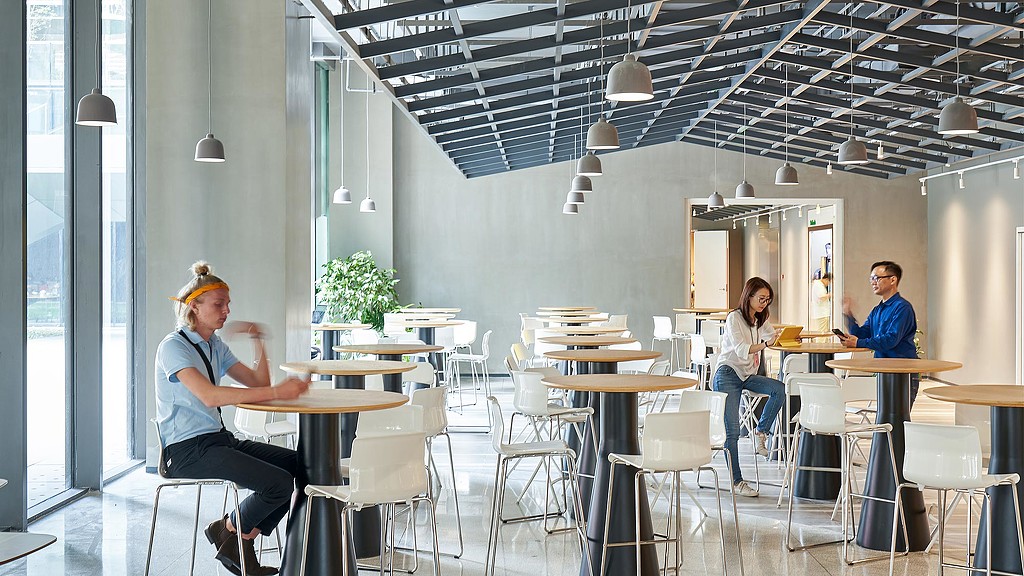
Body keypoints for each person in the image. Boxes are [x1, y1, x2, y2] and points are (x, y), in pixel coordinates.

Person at [155, 262, 310, 576]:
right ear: (194, 307)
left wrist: (257, 340)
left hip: (218, 441)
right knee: (279, 484)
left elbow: (257, 382)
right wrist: (277, 392)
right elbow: (209, 396)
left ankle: (238, 537)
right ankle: (229, 530)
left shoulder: (214, 345)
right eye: (218, 304)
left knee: (300, 466)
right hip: (185, 451)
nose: (226, 310)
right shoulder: (174, 347)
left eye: (227, 304)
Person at [712, 277, 786, 498]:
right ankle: (737, 481)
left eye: (768, 299)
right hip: (727, 374)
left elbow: (771, 336)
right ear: (749, 296)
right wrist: (765, 344)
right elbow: (742, 349)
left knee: (779, 389)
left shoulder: (759, 319)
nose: (764, 303)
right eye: (761, 298)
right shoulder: (734, 318)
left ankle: (760, 432)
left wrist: (783, 337)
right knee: (732, 431)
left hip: (747, 375)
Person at [838, 260, 920, 404]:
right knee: (884, 414)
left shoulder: (902, 307)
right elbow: (862, 334)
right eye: (871, 278)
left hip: (901, 372)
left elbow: (891, 339)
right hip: (883, 370)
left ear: (893, 280)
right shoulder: (877, 310)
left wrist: (858, 342)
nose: (873, 282)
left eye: (876, 278)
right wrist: (848, 313)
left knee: (897, 414)